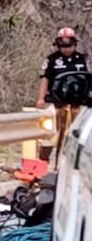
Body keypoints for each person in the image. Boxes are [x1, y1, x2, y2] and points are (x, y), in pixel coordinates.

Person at [35, 27, 91, 162]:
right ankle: (43, 160)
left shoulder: (82, 59)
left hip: (78, 103)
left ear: (75, 44)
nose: (67, 49)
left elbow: (87, 79)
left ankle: (74, 161)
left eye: (69, 46)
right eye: (63, 46)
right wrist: (41, 99)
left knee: (78, 132)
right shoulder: (52, 59)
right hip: (57, 102)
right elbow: (45, 78)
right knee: (50, 133)